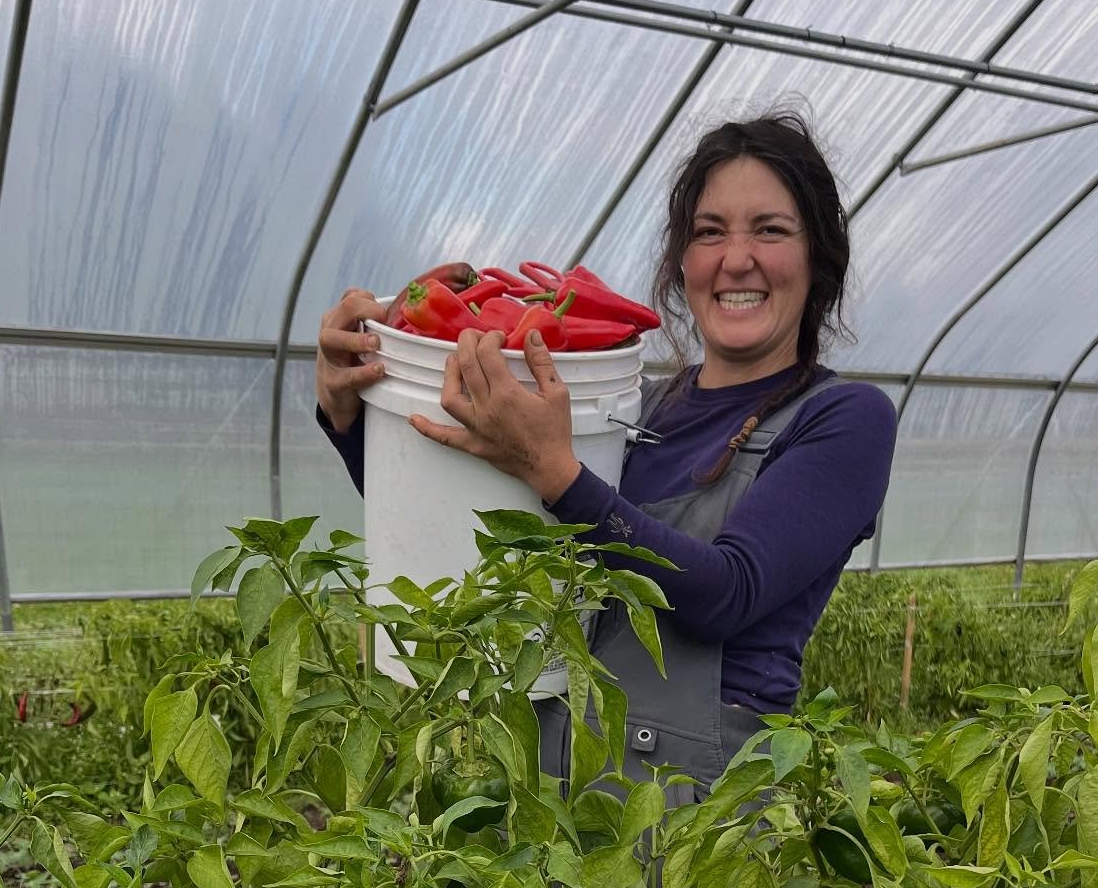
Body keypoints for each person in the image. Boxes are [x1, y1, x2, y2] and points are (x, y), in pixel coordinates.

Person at [315, 109, 896, 800]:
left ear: (819, 255)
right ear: (684, 262)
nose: (735, 258)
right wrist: (349, 416)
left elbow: (725, 594)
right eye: (709, 232)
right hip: (552, 796)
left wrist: (554, 471)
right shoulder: (633, 405)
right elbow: (468, 534)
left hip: (694, 821)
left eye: (770, 230)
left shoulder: (842, 418)